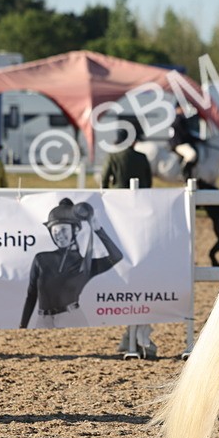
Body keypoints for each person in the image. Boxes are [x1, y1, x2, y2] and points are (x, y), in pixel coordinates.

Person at [20, 199, 124, 329]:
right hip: (43, 320)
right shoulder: (41, 259)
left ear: (75, 230)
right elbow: (31, 294)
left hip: (71, 319)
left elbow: (116, 256)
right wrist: (22, 326)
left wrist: (98, 230)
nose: (59, 235)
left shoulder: (86, 265)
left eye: (63, 230)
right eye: (55, 231)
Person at [102, 119, 153, 189]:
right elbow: (149, 182)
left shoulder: (112, 157)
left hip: (119, 195)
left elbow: (104, 180)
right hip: (140, 195)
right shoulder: (142, 157)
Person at [168, 105, 201, 180]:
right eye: (181, 108)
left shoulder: (176, 119)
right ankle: (184, 172)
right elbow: (185, 135)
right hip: (179, 144)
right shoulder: (179, 119)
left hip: (178, 143)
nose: (183, 109)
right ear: (177, 109)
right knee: (192, 155)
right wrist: (197, 139)